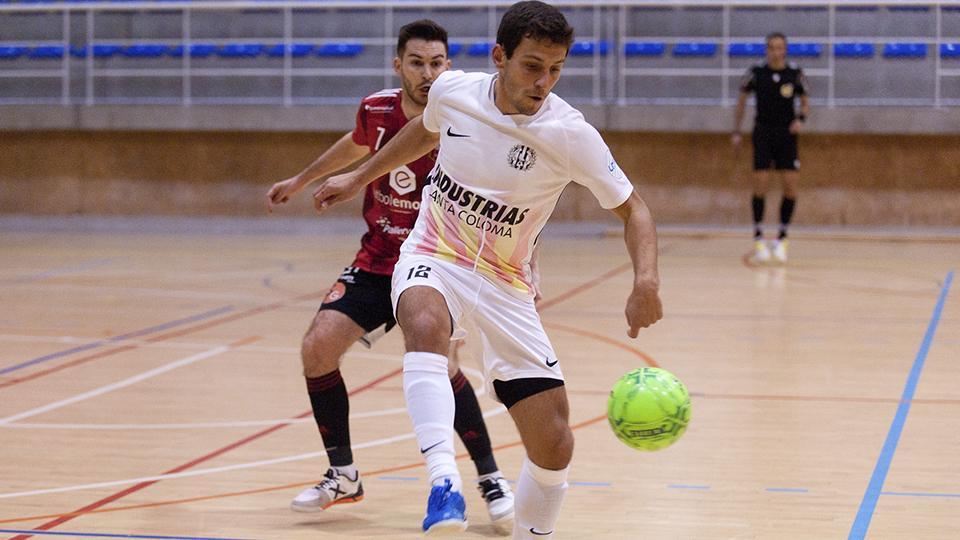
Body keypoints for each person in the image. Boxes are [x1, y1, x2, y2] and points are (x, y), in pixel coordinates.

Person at [313, 2, 663, 537]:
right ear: (500, 57)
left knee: (555, 443)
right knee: (427, 326)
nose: (544, 81)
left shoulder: (571, 134)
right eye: (532, 66)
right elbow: (424, 133)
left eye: (556, 68)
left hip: (507, 286)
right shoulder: (455, 93)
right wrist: (360, 176)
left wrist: (645, 280)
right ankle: (444, 483)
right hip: (435, 253)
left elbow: (633, 208)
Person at [265, 19, 514, 532]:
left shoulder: (463, 118)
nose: (428, 73)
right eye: (418, 63)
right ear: (398, 64)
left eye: (437, 63)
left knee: (444, 367)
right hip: (379, 260)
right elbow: (357, 145)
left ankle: (490, 477)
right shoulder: (376, 108)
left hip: (437, 266)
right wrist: (303, 179)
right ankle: (343, 473)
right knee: (317, 347)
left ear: (449, 66)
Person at [732, 31, 810, 264]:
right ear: (767, 50)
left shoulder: (795, 74)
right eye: (772, 47)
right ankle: (758, 238)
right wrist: (736, 131)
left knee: (790, 185)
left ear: (785, 49)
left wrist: (800, 120)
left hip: (786, 135)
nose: (776, 51)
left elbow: (806, 105)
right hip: (763, 133)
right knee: (760, 185)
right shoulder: (756, 74)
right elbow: (741, 102)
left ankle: (782, 238)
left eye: (780, 47)